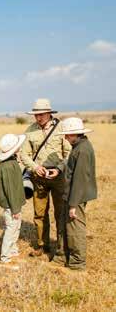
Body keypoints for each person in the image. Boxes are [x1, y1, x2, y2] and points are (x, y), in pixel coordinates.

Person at [21, 99, 71, 257]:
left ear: (49, 113)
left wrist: (59, 169)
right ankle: (43, 245)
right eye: (36, 114)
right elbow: (24, 154)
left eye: (41, 114)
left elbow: (69, 153)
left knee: (60, 212)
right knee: (40, 213)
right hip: (38, 177)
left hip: (59, 177)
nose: (38, 117)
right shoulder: (30, 130)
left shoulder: (61, 128)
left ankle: (62, 246)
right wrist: (35, 168)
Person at [52, 118, 97, 271]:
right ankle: (62, 257)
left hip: (75, 197)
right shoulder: (78, 146)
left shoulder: (82, 150)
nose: (65, 138)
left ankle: (77, 264)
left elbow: (79, 180)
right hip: (70, 194)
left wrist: (73, 204)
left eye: (67, 135)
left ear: (75, 134)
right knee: (65, 227)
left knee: (75, 230)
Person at [0, 133, 27, 269]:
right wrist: (15, 209)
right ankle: (5, 258)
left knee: (16, 227)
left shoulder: (12, 162)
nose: (19, 148)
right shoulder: (8, 166)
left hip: (15, 203)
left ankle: (13, 252)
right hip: (11, 205)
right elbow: (10, 189)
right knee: (11, 229)